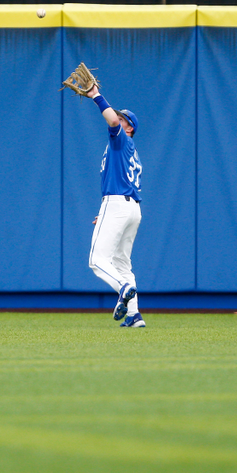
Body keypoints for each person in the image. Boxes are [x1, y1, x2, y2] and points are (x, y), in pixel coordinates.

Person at [87, 84, 146, 328]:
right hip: (131, 208)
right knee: (122, 263)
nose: (117, 119)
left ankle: (123, 288)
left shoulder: (121, 140)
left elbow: (111, 121)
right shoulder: (129, 151)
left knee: (97, 260)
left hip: (117, 204)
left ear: (129, 127)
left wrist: (95, 96)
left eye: (123, 119)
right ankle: (134, 316)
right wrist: (106, 212)